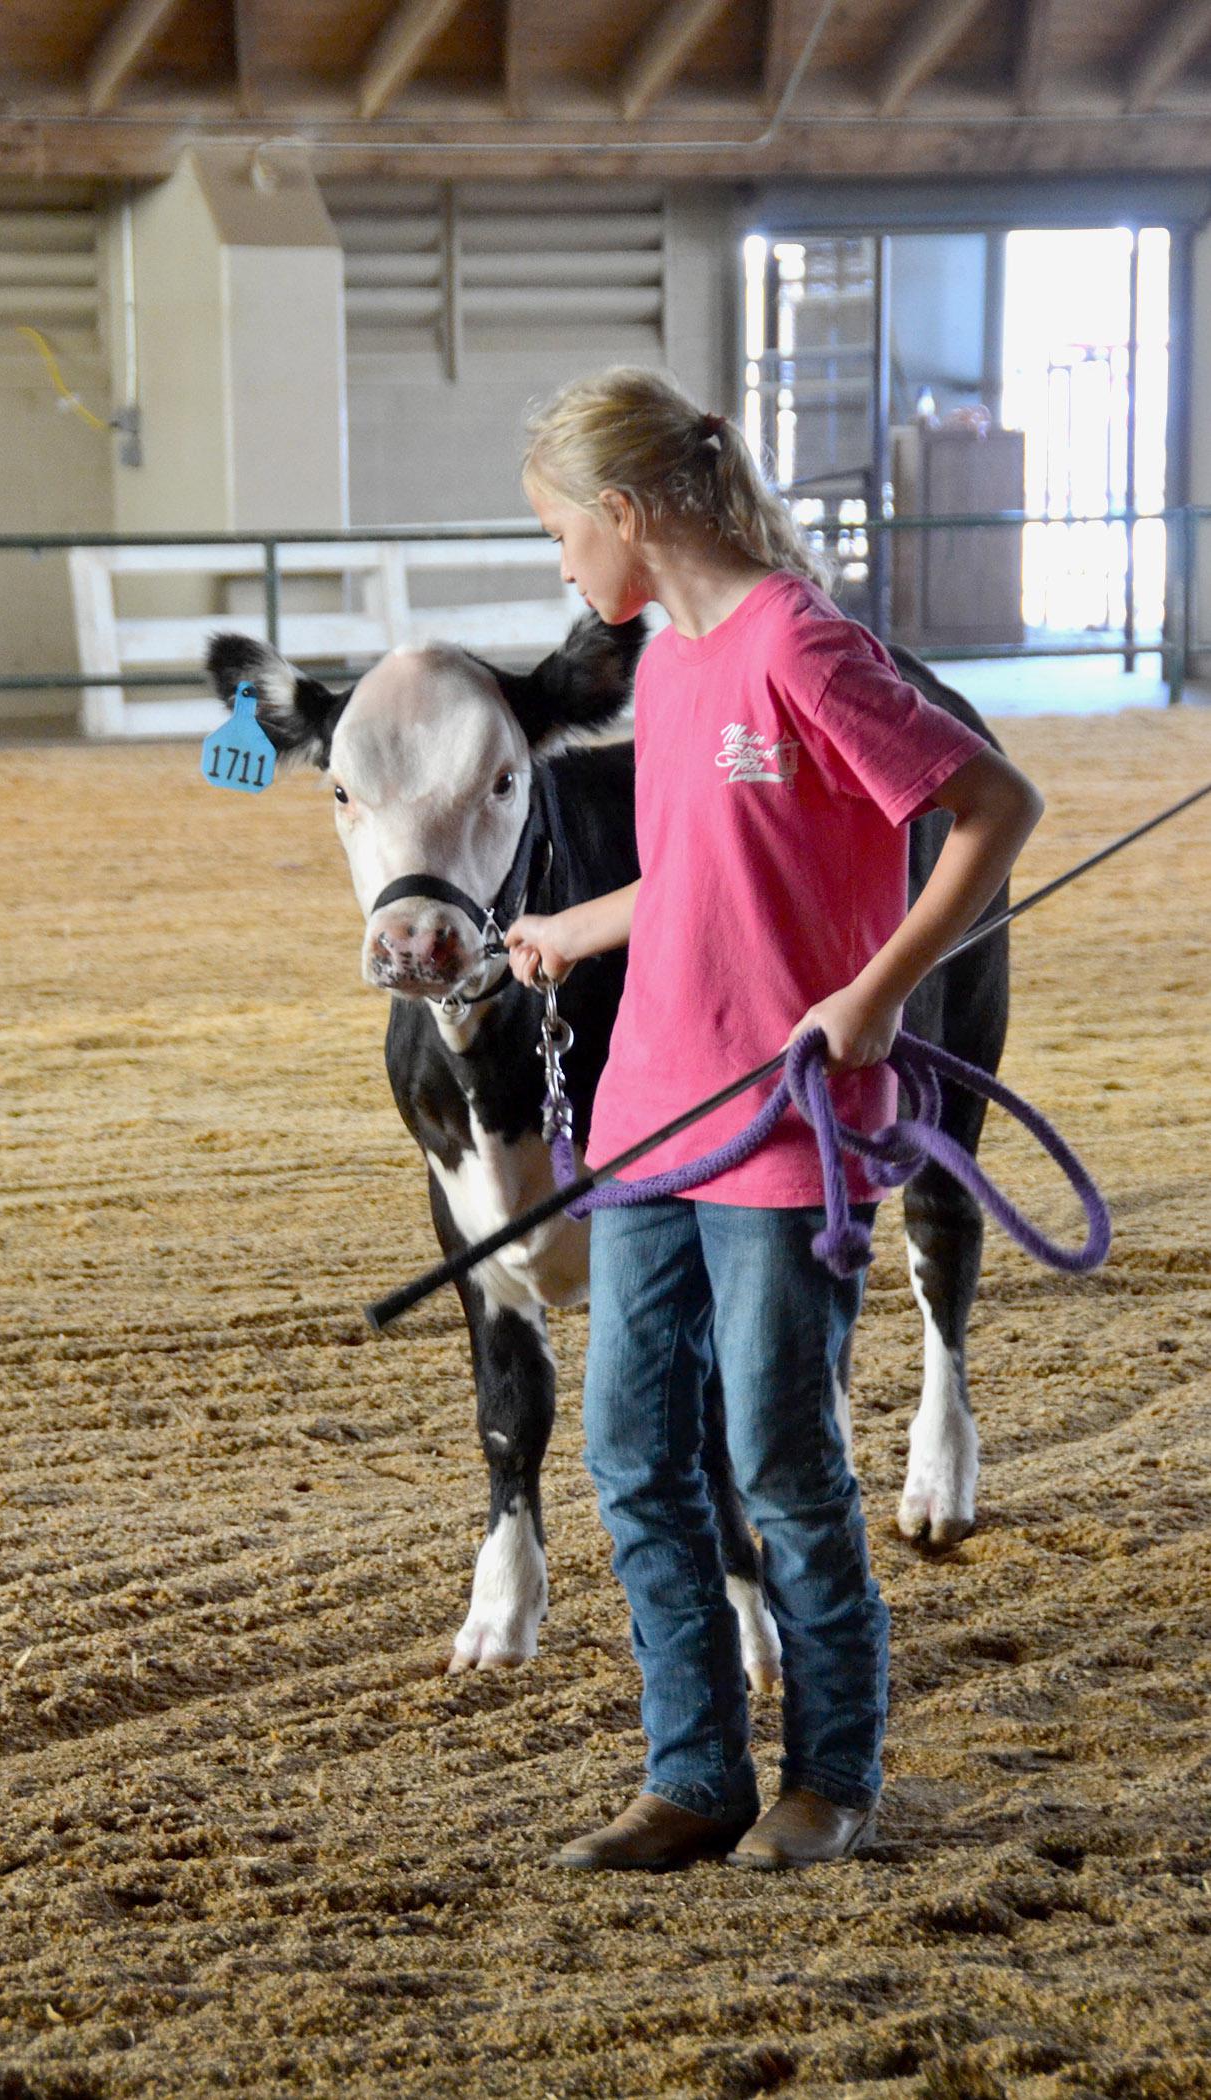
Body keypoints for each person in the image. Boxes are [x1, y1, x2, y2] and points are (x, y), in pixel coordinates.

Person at [504, 367, 1043, 1873]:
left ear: (624, 512)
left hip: (788, 1125)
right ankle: (693, 1774)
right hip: (649, 1116)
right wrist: (578, 929)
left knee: (780, 1453)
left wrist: (875, 991)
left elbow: (997, 807)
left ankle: (830, 1775)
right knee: (630, 1451)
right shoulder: (669, 665)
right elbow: (698, 870)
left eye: (560, 535)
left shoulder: (806, 645)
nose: (560, 567)